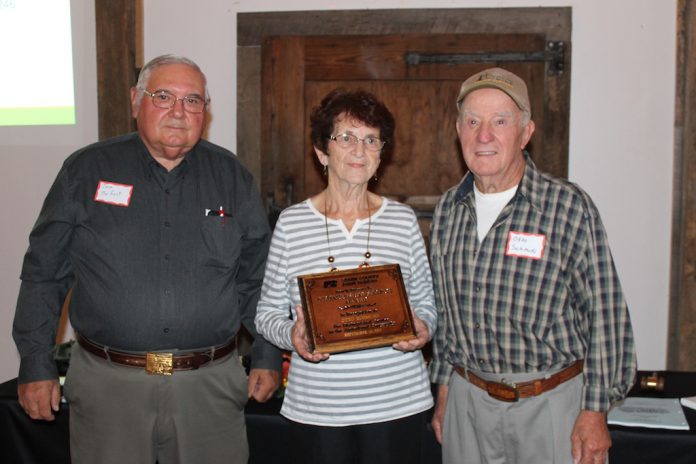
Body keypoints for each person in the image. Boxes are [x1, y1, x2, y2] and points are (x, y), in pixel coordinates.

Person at [12, 54, 281, 464]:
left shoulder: (232, 177)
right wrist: (35, 363)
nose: (179, 111)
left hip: (207, 387)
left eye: (193, 101)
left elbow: (257, 278)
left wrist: (266, 354)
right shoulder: (86, 171)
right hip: (108, 387)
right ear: (136, 100)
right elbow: (43, 275)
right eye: (164, 97)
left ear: (205, 113)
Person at [429, 67, 637, 464]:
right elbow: (444, 314)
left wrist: (595, 411)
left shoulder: (568, 207)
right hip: (467, 406)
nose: (483, 135)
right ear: (459, 131)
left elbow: (606, 316)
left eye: (500, 121)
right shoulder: (447, 211)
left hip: (552, 406)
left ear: (526, 133)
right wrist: (444, 392)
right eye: (472, 121)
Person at [255, 88, 437, 464]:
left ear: (381, 155)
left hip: (397, 403)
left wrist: (423, 328)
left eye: (371, 140)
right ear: (322, 152)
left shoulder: (402, 221)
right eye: (346, 138)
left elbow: (425, 304)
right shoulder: (291, 224)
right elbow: (267, 313)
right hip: (319, 408)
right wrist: (292, 334)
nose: (360, 150)